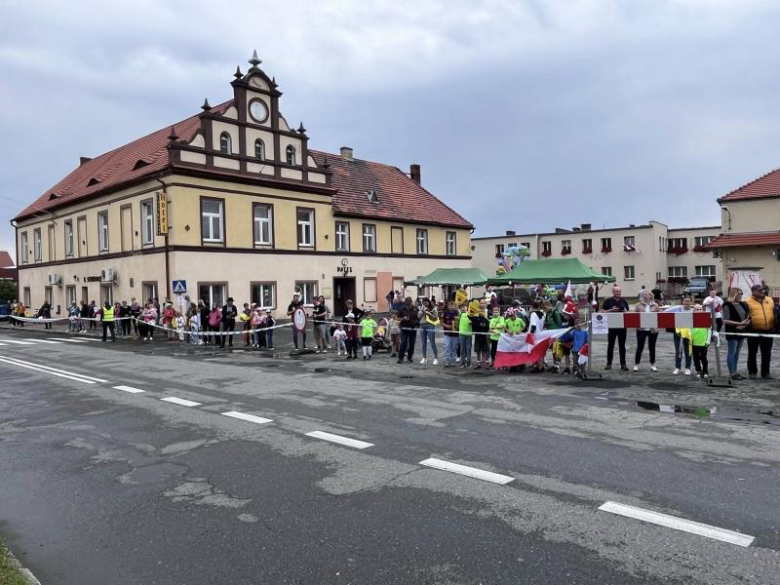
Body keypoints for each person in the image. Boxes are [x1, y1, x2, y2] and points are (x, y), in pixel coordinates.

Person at [745, 284, 776, 379]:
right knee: (752, 352)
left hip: (768, 330)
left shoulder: (769, 300)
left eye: (762, 290)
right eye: (759, 290)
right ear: (753, 292)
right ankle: (752, 372)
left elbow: (774, 312)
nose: (762, 292)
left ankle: (765, 372)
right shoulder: (747, 301)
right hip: (753, 331)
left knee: (767, 353)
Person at [723, 288, 750, 380]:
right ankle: (732, 373)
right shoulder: (727, 304)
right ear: (733, 294)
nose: (740, 296)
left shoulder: (742, 304)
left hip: (741, 331)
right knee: (732, 352)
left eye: (741, 294)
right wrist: (739, 324)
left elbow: (746, 316)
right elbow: (725, 320)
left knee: (737, 353)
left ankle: (735, 371)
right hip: (732, 331)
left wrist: (746, 322)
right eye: (739, 294)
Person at [601, 286, 630, 371]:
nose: (618, 293)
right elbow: (601, 312)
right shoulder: (608, 301)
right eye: (616, 292)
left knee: (622, 346)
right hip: (611, 326)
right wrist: (610, 310)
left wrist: (624, 310)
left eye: (619, 292)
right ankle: (609, 363)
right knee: (611, 345)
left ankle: (623, 364)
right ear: (613, 292)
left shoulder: (623, 300)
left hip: (622, 326)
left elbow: (627, 312)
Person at [633, 290, 660, 372]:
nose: (645, 296)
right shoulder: (638, 305)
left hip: (653, 329)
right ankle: (636, 364)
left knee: (652, 347)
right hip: (641, 329)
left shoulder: (655, 305)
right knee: (640, 346)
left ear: (650, 296)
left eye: (646, 294)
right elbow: (634, 316)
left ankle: (652, 365)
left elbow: (659, 316)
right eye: (643, 294)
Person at [396, 297, 420, 364]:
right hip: (404, 329)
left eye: (409, 302)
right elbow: (397, 318)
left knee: (412, 344)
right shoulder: (402, 309)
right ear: (405, 303)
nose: (408, 303)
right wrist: (403, 318)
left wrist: (417, 325)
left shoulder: (416, 309)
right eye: (407, 302)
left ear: (411, 302)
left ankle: (410, 357)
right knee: (403, 343)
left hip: (413, 329)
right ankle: (401, 358)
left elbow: (419, 318)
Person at [691, 306, 711, 379]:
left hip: (703, 342)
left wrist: (708, 340)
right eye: (697, 309)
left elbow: (709, 330)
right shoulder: (691, 319)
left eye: (700, 309)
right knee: (696, 358)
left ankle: (705, 371)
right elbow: (689, 330)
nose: (699, 310)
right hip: (694, 342)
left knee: (703, 358)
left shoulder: (705, 319)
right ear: (694, 311)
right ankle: (698, 370)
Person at [419, 298, 439, 365]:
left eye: (426, 302)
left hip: (430, 325)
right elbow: (418, 316)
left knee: (432, 342)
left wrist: (428, 313)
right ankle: (424, 358)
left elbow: (436, 317)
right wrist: (422, 311)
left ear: (428, 302)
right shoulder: (421, 308)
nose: (425, 304)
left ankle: (436, 358)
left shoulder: (433, 308)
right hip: (422, 326)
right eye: (423, 303)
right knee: (423, 343)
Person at [470, 300, 490, 369]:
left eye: (483, 303)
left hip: (487, 334)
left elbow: (491, 322)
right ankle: (479, 364)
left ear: (486, 304)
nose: (482, 304)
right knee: (478, 350)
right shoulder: (476, 313)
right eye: (481, 303)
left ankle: (487, 363)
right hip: (478, 335)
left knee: (486, 350)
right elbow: (471, 318)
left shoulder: (489, 312)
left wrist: (486, 318)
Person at [441, 301, 460, 367]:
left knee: (454, 347)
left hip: (455, 334)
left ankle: (452, 361)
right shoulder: (445, 313)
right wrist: (446, 326)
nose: (452, 307)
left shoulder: (457, 313)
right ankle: (447, 361)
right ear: (448, 306)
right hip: (447, 333)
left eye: (453, 305)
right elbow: (441, 322)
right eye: (450, 306)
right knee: (447, 347)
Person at [457, 302, 473, 368]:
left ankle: (469, 363)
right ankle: (462, 363)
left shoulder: (470, 314)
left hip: (469, 334)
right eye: (462, 307)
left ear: (467, 308)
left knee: (468, 349)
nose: (464, 308)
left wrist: (471, 322)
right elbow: (456, 307)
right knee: (462, 349)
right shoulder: (460, 314)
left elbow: (473, 322)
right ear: (460, 309)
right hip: (461, 334)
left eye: (465, 307)